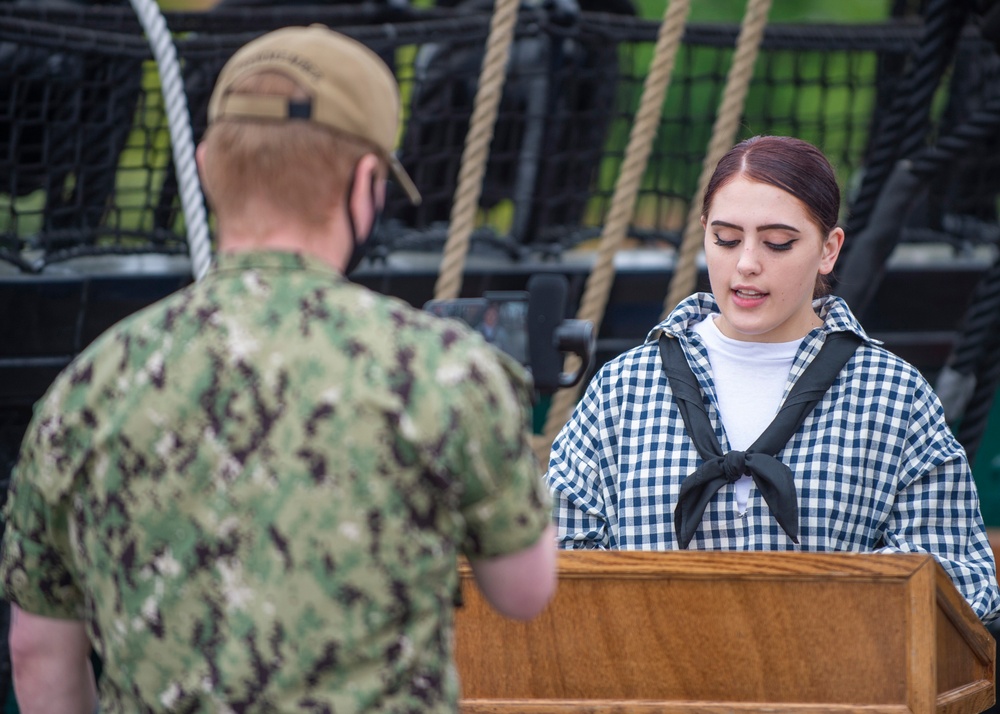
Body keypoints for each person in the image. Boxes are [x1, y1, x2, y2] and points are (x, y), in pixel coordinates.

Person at [0, 25, 556, 712]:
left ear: (205, 166)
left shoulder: (85, 388)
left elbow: (36, 652)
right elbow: (524, 592)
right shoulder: (444, 371)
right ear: (366, 185)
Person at [545, 134, 1000, 621]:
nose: (746, 264)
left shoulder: (894, 394)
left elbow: (964, 580)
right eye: (725, 239)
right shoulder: (623, 388)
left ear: (829, 249)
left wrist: (829, 605)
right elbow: (554, 562)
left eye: (777, 242)